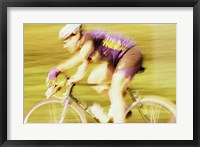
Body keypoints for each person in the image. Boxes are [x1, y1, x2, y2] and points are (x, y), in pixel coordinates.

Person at [46, 24, 143, 123]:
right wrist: (63, 84)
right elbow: (80, 75)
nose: (64, 46)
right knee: (93, 79)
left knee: (115, 90)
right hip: (117, 61)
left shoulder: (88, 38)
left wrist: (58, 69)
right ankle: (120, 106)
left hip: (130, 54)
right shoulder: (85, 49)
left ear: (75, 35)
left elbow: (81, 57)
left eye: (65, 42)